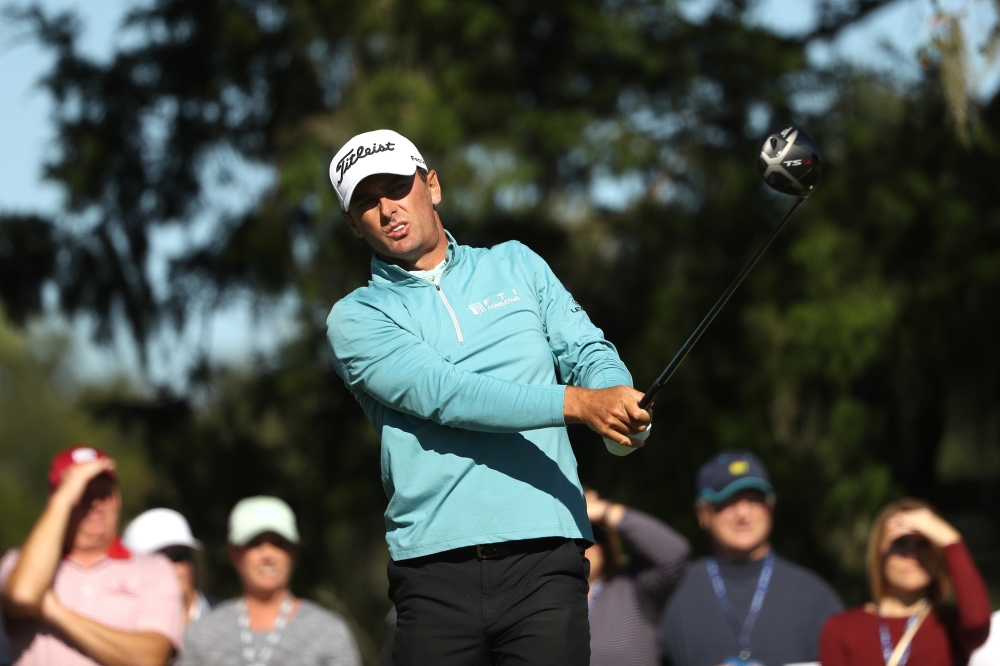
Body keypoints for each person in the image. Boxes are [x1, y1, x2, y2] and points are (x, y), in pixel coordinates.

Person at [326, 129, 653, 666]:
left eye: (397, 187)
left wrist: (619, 410)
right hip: (433, 571)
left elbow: (588, 351)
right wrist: (579, 405)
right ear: (352, 223)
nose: (387, 209)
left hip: (546, 556)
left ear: (431, 185)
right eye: (367, 201)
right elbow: (445, 393)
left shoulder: (516, 264)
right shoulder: (356, 317)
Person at [0, 445, 184, 666]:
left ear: (117, 499)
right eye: (82, 493)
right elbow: (23, 596)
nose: (95, 504)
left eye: (104, 493)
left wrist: (53, 610)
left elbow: (150, 658)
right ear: (57, 502)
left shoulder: (154, 569)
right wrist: (64, 499)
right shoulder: (19, 562)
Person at [658, 450, 843, 666]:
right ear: (703, 514)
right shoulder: (672, 593)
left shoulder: (815, 596)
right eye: (728, 501)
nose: (743, 514)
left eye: (755, 500)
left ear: (771, 508)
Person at [177, 496, 361, 666]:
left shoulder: (328, 631)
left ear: (293, 552)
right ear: (233, 552)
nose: (268, 555)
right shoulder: (202, 634)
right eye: (255, 543)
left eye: (279, 544)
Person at [820, 498, 991, 666]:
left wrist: (950, 539)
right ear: (880, 554)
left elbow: (978, 622)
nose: (912, 555)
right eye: (900, 544)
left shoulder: (950, 625)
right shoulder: (842, 628)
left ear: (937, 554)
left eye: (924, 544)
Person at [584, 489, 689, 666]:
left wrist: (604, 511)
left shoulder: (632, 589)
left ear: (609, 546)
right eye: (568, 536)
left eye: (593, 533)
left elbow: (674, 554)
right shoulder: (535, 598)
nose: (582, 544)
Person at [123, 508, 216, 625]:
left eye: (177, 556)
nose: (169, 570)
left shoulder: (233, 621)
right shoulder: (119, 632)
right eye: (155, 561)